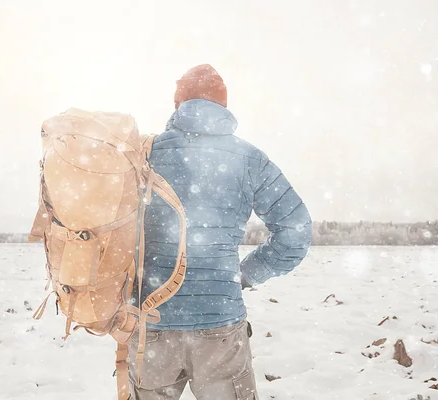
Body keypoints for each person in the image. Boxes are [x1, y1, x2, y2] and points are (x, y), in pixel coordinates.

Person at [129, 64, 312, 400]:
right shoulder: (250, 159)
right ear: (223, 106)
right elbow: (296, 231)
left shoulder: (144, 154)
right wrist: (242, 275)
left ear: (178, 104)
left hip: (151, 323)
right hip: (221, 326)